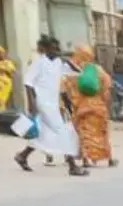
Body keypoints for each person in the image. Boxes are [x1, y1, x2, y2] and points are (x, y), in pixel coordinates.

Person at [14, 37, 79, 174]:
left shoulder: (58, 63)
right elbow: (28, 83)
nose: (57, 50)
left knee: (43, 134)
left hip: (53, 103)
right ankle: (72, 166)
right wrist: (32, 104)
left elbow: (78, 72)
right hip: (42, 103)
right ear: (45, 49)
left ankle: (22, 156)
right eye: (54, 48)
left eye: (58, 48)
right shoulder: (39, 63)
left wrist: (68, 61)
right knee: (63, 131)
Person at [63, 45, 115, 169]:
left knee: (84, 133)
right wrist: (105, 104)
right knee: (102, 133)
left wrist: (73, 105)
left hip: (82, 108)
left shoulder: (73, 73)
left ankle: (86, 158)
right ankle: (109, 159)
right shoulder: (98, 70)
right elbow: (107, 88)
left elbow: (68, 90)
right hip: (98, 107)